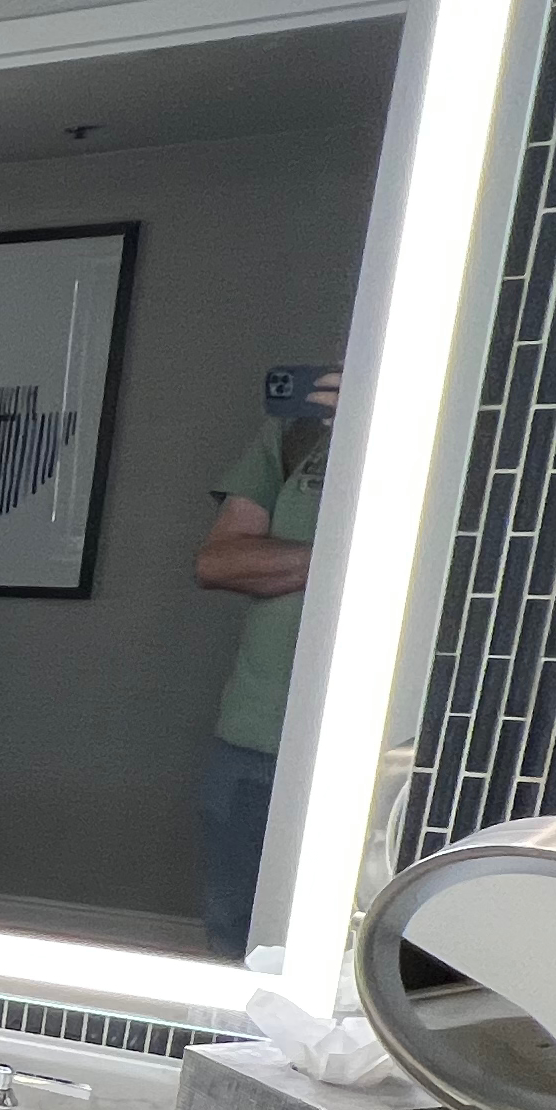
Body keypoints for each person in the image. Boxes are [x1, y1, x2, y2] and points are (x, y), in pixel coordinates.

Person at [190, 369, 336, 955]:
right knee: (237, 936)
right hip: (255, 741)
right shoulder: (299, 431)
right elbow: (219, 562)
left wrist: (291, 564)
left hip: (388, 750)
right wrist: (352, 555)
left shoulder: (467, 431)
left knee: (366, 943)